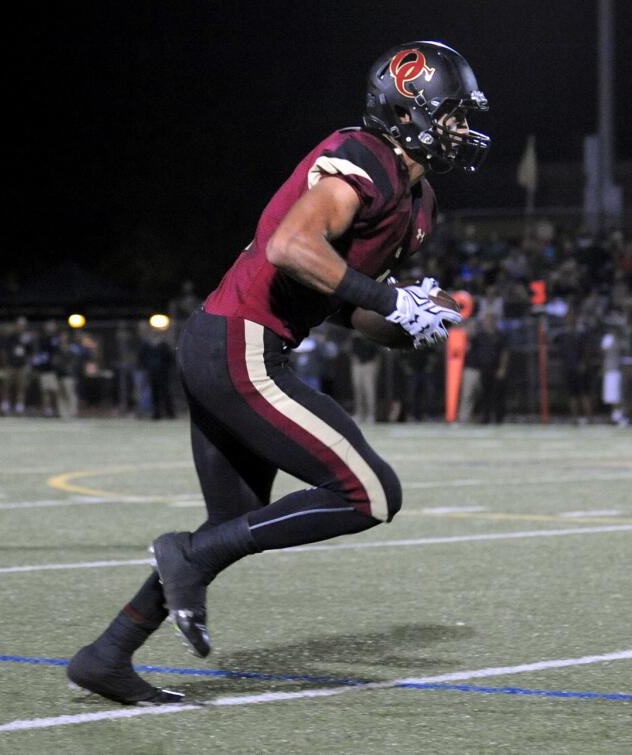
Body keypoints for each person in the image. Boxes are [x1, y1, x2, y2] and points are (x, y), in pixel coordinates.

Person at [68, 41, 484, 704]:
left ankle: (108, 652)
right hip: (239, 343)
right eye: (454, 113)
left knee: (232, 522)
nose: (464, 128)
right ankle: (186, 560)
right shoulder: (366, 157)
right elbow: (291, 247)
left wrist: (412, 324)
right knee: (370, 492)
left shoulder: (419, 201)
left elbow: (343, 303)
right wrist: (389, 297)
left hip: (233, 343)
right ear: (412, 110)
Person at [0, 317, 35, 416]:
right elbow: (4, 351)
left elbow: (31, 352)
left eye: (23, 325)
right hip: (10, 365)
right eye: (19, 325)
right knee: (7, 386)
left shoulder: (27, 338)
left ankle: (19, 407)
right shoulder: (10, 336)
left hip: (22, 365)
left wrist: (29, 364)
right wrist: (5, 363)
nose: (21, 327)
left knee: (21, 387)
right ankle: (5, 406)